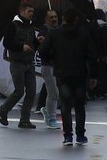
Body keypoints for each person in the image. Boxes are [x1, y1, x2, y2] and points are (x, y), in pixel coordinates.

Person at [39, 8, 98, 146]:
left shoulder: (55, 34)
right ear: (76, 19)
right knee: (79, 105)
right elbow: (92, 55)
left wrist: (53, 57)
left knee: (65, 105)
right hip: (79, 74)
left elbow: (42, 51)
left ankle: (67, 136)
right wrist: (93, 75)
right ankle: (81, 134)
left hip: (62, 73)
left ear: (63, 18)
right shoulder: (83, 33)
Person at [0, 2, 39, 129]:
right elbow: (7, 43)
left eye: (32, 11)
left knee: (31, 91)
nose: (31, 14)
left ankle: (25, 119)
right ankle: (3, 110)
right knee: (19, 91)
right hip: (17, 62)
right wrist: (21, 47)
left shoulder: (30, 26)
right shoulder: (13, 25)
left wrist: (37, 42)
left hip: (29, 63)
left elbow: (32, 42)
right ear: (22, 11)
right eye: (29, 11)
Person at [37, 9, 60, 129]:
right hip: (48, 66)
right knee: (53, 93)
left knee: (55, 92)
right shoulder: (44, 32)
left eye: (55, 17)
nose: (54, 19)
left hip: (57, 66)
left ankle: (47, 110)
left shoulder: (58, 31)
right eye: (51, 17)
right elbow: (43, 50)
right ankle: (51, 117)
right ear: (46, 19)